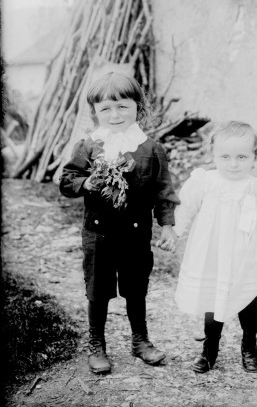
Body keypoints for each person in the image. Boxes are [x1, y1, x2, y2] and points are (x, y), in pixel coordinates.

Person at [59, 72, 178, 374]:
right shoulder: (88, 146)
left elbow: (164, 192)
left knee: (136, 288)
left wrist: (167, 226)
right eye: (106, 109)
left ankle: (140, 341)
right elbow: (66, 180)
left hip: (136, 235)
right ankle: (96, 343)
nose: (115, 115)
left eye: (123, 107)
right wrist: (85, 183)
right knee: (98, 290)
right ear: (95, 112)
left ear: (138, 107)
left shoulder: (151, 149)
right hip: (98, 234)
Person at [173, 120, 257, 374]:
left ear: (256, 156)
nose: (233, 164)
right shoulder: (206, 182)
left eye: (242, 156)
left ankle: (249, 346)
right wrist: (176, 231)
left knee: (247, 300)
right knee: (213, 300)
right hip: (213, 253)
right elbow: (186, 208)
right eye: (225, 156)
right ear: (214, 155)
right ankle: (210, 348)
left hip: (245, 255)